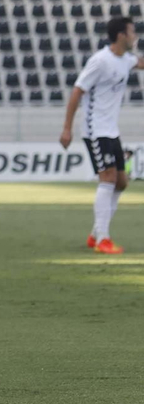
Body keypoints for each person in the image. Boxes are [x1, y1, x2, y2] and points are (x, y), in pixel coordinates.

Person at [61, 15, 144, 254]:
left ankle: (97, 232)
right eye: (132, 32)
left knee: (121, 181)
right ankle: (103, 239)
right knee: (107, 178)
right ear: (121, 36)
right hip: (95, 130)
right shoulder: (100, 61)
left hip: (111, 131)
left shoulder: (125, 59)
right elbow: (77, 91)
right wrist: (67, 128)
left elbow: (139, 62)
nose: (135, 36)